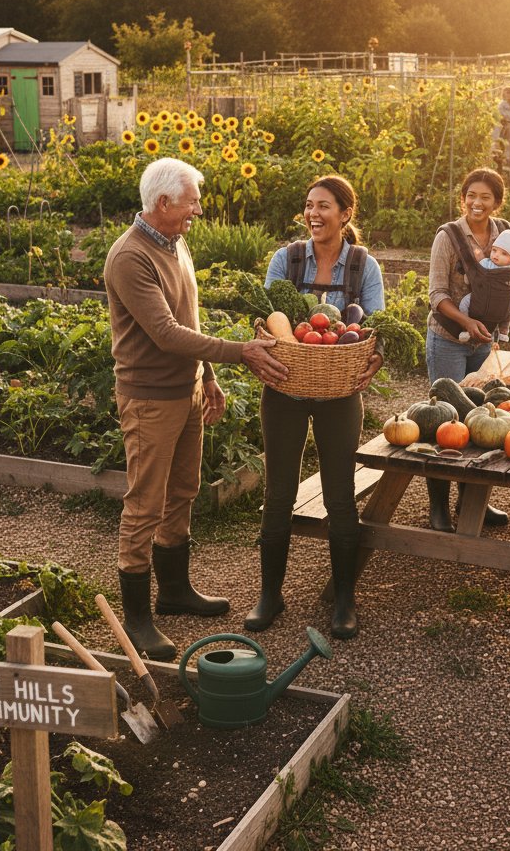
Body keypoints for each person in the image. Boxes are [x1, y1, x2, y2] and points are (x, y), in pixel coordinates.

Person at [103, 157, 288, 661]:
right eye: (191, 202)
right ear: (162, 203)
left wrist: (209, 376)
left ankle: (175, 592)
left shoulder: (173, 242)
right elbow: (163, 333)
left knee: (182, 490)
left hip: (185, 391)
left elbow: (190, 313)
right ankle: (138, 620)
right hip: (149, 397)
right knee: (145, 502)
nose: (198, 211)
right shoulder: (130, 257)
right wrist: (239, 351)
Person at [246, 175, 384, 640]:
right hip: (285, 386)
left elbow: (374, 328)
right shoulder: (286, 259)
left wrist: (375, 357)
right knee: (279, 492)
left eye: (324, 206)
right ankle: (270, 593)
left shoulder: (364, 266)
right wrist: (270, 341)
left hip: (339, 391)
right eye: (309, 206)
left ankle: (344, 598)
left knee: (340, 495)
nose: (314, 214)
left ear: (345, 214)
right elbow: (267, 319)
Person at [426, 168, 510, 532]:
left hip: (485, 342)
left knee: (483, 418)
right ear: (462, 198)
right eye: (471, 196)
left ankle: (473, 500)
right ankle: (438, 506)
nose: (477, 203)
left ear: (497, 202)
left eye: (486, 197)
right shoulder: (448, 237)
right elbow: (436, 296)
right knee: (443, 419)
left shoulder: (503, 232)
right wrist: (466, 323)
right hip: (449, 340)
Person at [457, 228, 510, 342]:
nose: (496, 255)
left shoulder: (485, 263)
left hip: (483, 299)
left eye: (504, 253)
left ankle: (465, 329)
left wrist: (467, 278)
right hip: (501, 304)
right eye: (494, 250)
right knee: (508, 308)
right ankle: (504, 332)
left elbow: (472, 278)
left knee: (464, 303)